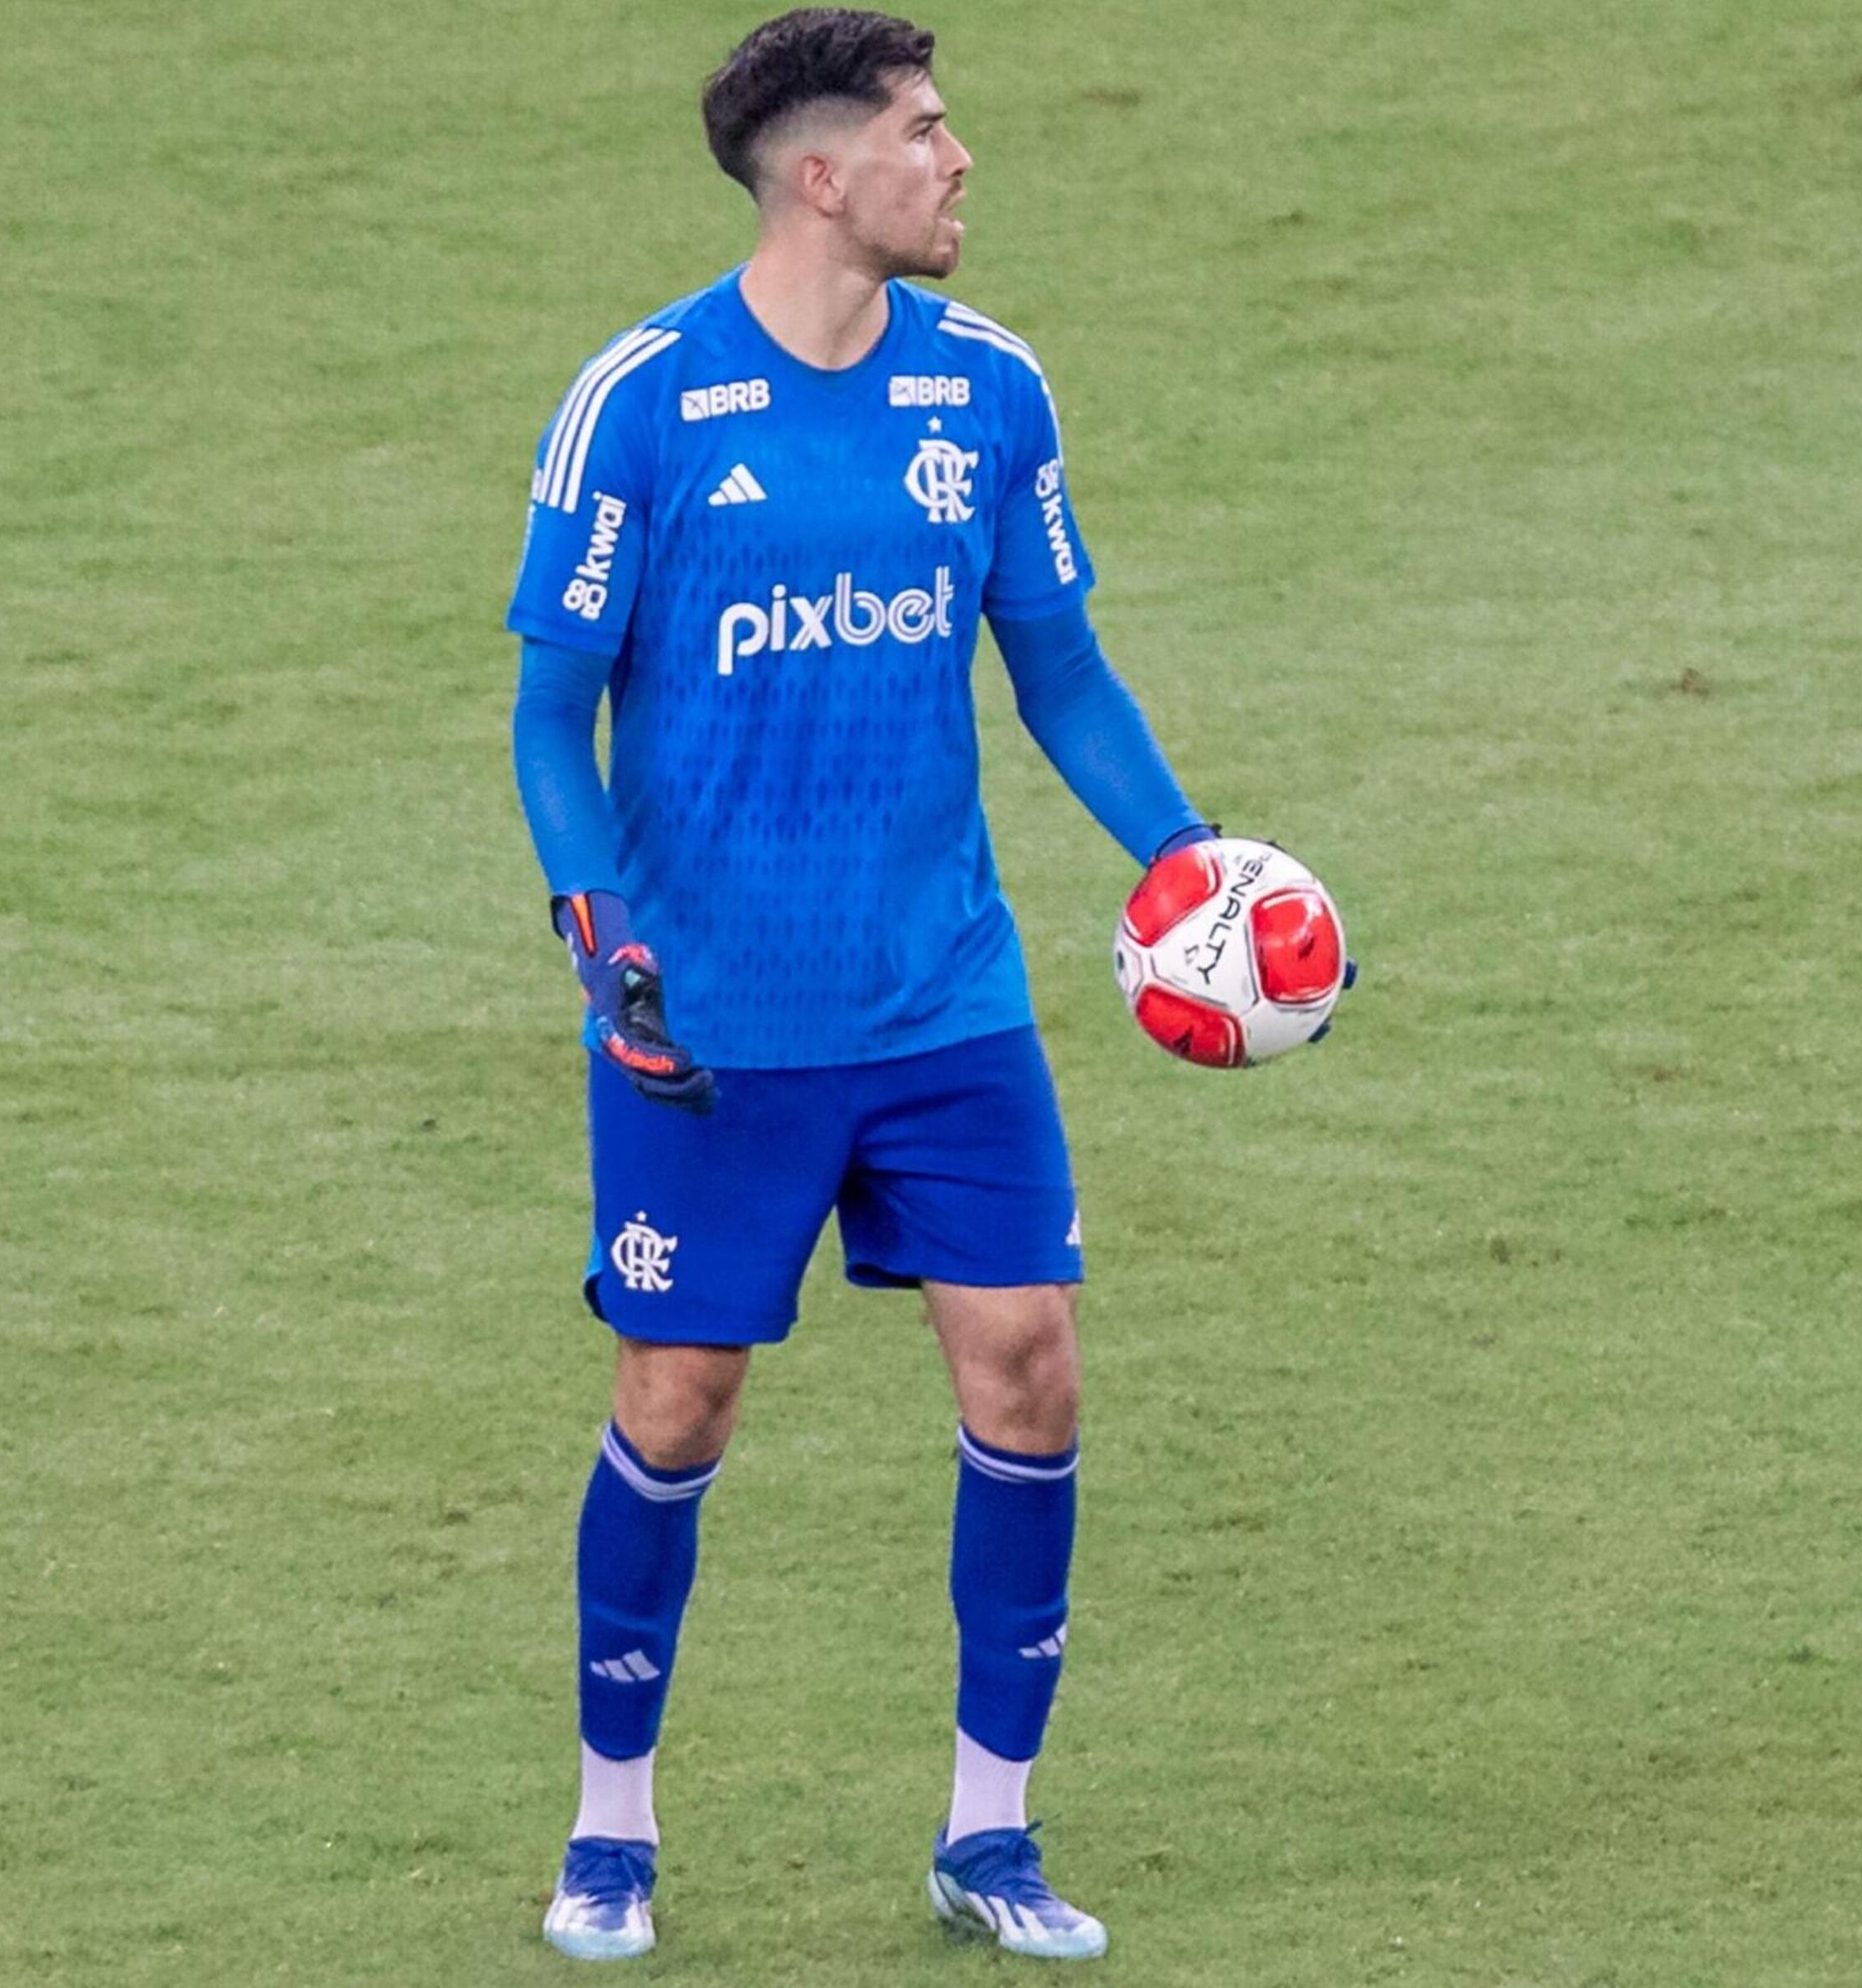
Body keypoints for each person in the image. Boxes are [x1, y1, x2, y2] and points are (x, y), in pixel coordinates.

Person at [504, 8, 1248, 1962]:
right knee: (678, 1403)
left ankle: (988, 1839)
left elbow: (1059, 672)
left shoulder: (989, 392)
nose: (962, 159)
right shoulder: (642, 404)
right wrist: (600, 927)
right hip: (714, 1029)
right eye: (927, 132)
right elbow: (548, 718)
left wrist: (1190, 864)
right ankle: (611, 1835)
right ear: (820, 176)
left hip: (944, 1003)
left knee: (1033, 1364)